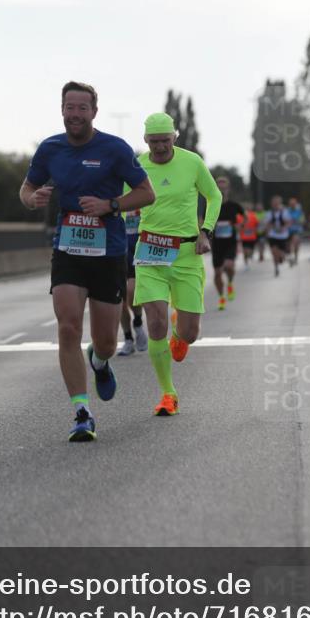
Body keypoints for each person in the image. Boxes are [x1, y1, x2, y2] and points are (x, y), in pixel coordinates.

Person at [20, 81, 155, 442]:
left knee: (106, 341)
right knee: (67, 327)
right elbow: (27, 188)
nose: (75, 114)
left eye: (82, 108)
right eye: (70, 107)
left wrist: (111, 205)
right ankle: (82, 412)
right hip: (68, 249)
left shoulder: (114, 149)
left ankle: (100, 360)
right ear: (62, 110)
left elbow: (147, 193)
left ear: (94, 111)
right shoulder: (50, 148)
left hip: (108, 252)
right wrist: (32, 198)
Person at [132, 113, 222, 417]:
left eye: (165, 141)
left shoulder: (192, 162)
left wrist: (206, 231)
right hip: (150, 251)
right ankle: (168, 394)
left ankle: (180, 337)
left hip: (186, 253)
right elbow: (121, 199)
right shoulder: (137, 166)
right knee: (156, 323)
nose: (160, 147)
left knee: (190, 333)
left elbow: (214, 196)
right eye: (154, 141)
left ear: (174, 138)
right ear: (145, 140)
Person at [117, 197, 149, 355]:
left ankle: (138, 323)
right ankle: (128, 338)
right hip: (118, 248)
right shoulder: (116, 192)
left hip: (138, 247)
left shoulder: (145, 191)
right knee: (119, 301)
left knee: (131, 292)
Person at [211, 177, 245, 309]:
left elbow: (245, 217)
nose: (221, 190)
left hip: (230, 242)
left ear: (228, 189)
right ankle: (221, 297)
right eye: (219, 188)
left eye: (224, 188)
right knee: (217, 273)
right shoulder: (211, 204)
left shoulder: (234, 205)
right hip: (216, 243)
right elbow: (201, 220)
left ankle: (230, 283)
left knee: (229, 266)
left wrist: (240, 226)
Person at [263, 195, 292, 277]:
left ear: (280, 203)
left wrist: (284, 228)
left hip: (282, 236)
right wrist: (267, 231)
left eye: (277, 203)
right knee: (274, 252)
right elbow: (266, 224)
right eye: (274, 203)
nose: (275, 204)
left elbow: (289, 222)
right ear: (272, 204)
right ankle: (276, 268)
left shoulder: (285, 212)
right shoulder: (269, 213)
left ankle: (284, 258)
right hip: (272, 236)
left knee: (281, 255)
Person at [239, 204, 259, 269]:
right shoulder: (240, 216)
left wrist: (254, 229)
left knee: (249, 252)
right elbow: (238, 225)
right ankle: (246, 264)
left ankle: (250, 257)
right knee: (245, 251)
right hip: (244, 237)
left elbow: (257, 224)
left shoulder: (253, 215)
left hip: (252, 237)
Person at [287, 196, 305, 266]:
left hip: (297, 230)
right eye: (291, 204)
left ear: (296, 204)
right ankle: (291, 257)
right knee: (289, 245)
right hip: (288, 230)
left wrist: (296, 221)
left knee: (295, 244)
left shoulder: (299, 211)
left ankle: (296, 257)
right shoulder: (287, 211)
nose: (292, 205)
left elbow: (302, 221)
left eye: (293, 204)